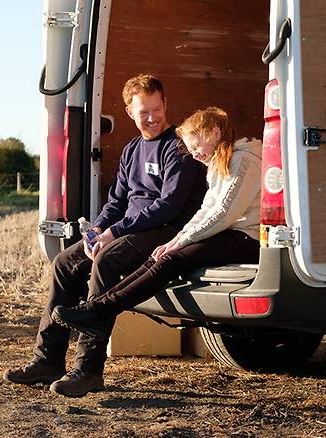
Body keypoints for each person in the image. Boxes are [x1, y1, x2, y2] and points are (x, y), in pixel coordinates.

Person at [3, 74, 207, 397]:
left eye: (157, 109)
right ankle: (47, 360)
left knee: (107, 262)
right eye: (144, 112)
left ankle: (88, 369)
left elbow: (168, 206)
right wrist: (97, 229)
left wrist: (114, 232)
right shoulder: (131, 151)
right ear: (130, 112)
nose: (152, 118)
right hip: (129, 229)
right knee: (63, 263)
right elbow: (116, 202)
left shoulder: (178, 148)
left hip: (166, 230)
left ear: (166, 104)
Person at [51, 107, 262, 347]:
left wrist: (181, 241)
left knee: (172, 260)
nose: (194, 155)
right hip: (228, 234)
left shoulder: (243, 161)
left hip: (247, 238)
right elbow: (206, 209)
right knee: (160, 256)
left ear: (214, 133)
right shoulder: (219, 163)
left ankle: (98, 311)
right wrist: (177, 239)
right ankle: (97, 309)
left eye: (195, 147)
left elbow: (223, 213)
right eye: (190, 149)